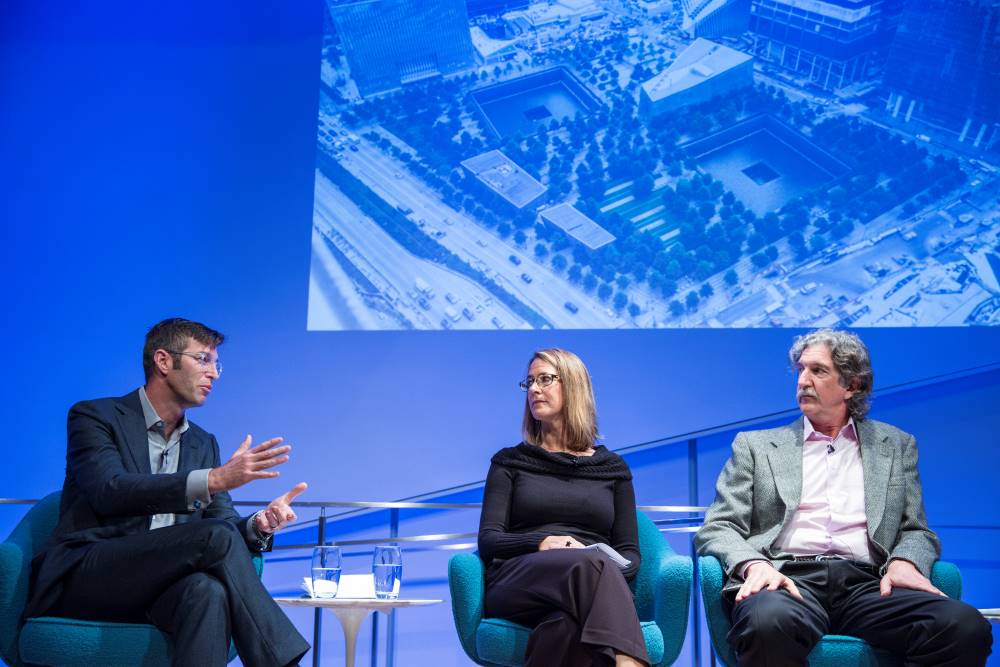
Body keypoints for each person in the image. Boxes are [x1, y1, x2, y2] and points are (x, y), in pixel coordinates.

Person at [695, 328, 992, 667]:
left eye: (818, 371)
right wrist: (755, 564)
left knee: (965, 627)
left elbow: (916, 530)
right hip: (787, 579)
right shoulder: (756, 446)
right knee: (766, 623)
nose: (803, 381)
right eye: (801, 370)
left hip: (869, 585)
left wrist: (904, 561)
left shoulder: (895, 445)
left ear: (853, 386)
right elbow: (718, 526)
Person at [26, 318, 311, 667]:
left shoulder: (204, 443)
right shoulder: (95, 417)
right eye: (204, 360)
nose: (215, 374)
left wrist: (259, 525)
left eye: (216, 364)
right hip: (88, 573)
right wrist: (214, 480)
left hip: (158, 584)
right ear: (163, 361)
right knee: (214, 539)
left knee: (207, 591)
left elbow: (222, 523)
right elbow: (108, 490)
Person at [477, 348, 649, 667]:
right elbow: (488, 541)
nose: (533, 389)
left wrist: (607, 566)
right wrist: (541, 543)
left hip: (589, 582)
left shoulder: (612, 468)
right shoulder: (510, 462)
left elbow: (630, 553)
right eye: (529, 382)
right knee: (589, 565)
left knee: (563, 628)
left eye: (545, 379)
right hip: (519, 580)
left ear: (573, 386)